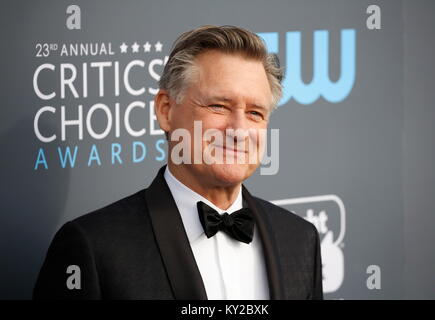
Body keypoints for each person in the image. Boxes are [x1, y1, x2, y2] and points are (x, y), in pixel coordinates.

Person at [33, 25, 323, 300]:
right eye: (218, 106)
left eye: (255, 113)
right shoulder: (93, 248)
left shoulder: (300, 240)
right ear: (166, 110)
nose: (238, 131)